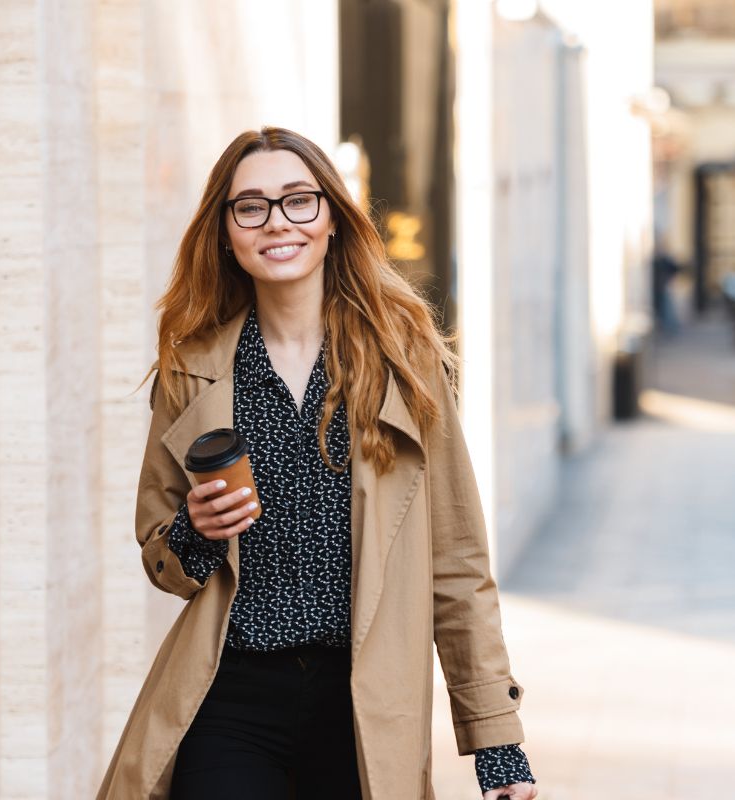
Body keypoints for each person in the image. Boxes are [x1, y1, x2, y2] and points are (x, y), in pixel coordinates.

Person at [96, 127, 537, 800]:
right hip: (231, 691)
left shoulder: (402, 361)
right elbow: (165, 562)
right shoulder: (193, 369)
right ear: (226, 231)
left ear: (332, 216)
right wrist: (196, 527)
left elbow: (457, 559)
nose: (277, 222)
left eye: (299, 200)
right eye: (251, 206)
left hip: (363, 701)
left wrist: (496, 742)